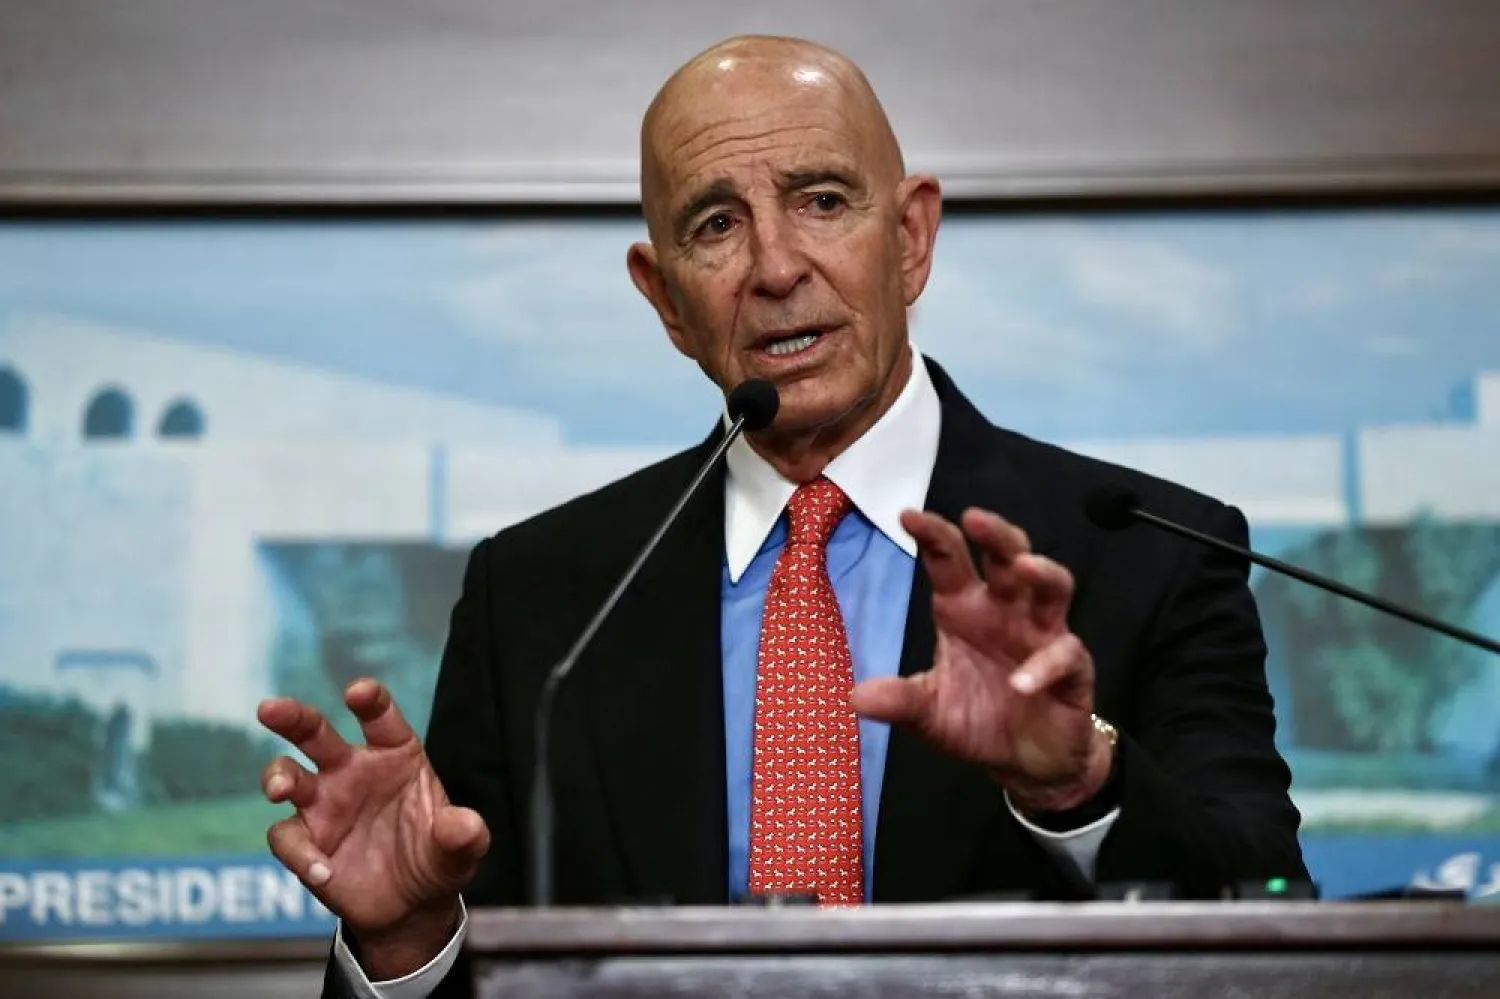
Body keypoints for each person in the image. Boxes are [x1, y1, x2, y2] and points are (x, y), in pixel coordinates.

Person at [256, 33, 1306, 998]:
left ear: (910, 237)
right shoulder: (541, 597)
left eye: (820, 200)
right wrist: (408, 943)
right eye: (716, 226)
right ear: (665, 298)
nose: (773, 267)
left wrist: (1079, 784)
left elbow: (1273, 929)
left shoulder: (1146, 551)